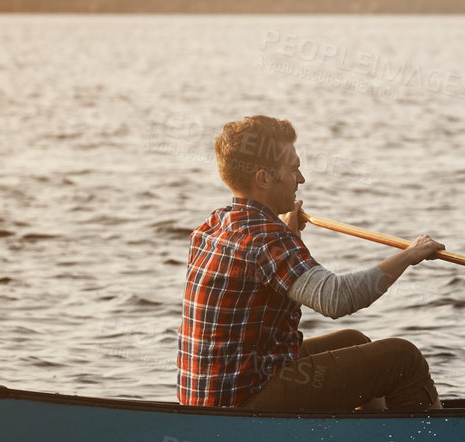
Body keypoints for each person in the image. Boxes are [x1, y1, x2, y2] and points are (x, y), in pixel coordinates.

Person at [177, 115, 445, 411]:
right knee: (403, 358)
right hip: (242, 404)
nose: (301, 179)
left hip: (211, 398)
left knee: (354, 340)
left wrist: (288, 235)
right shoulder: (267, 239)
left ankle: (371, 440)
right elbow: (336, 299)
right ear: (263, 179)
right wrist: (409, 255)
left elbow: (262, 275)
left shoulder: (214, 224)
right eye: (294, 169)